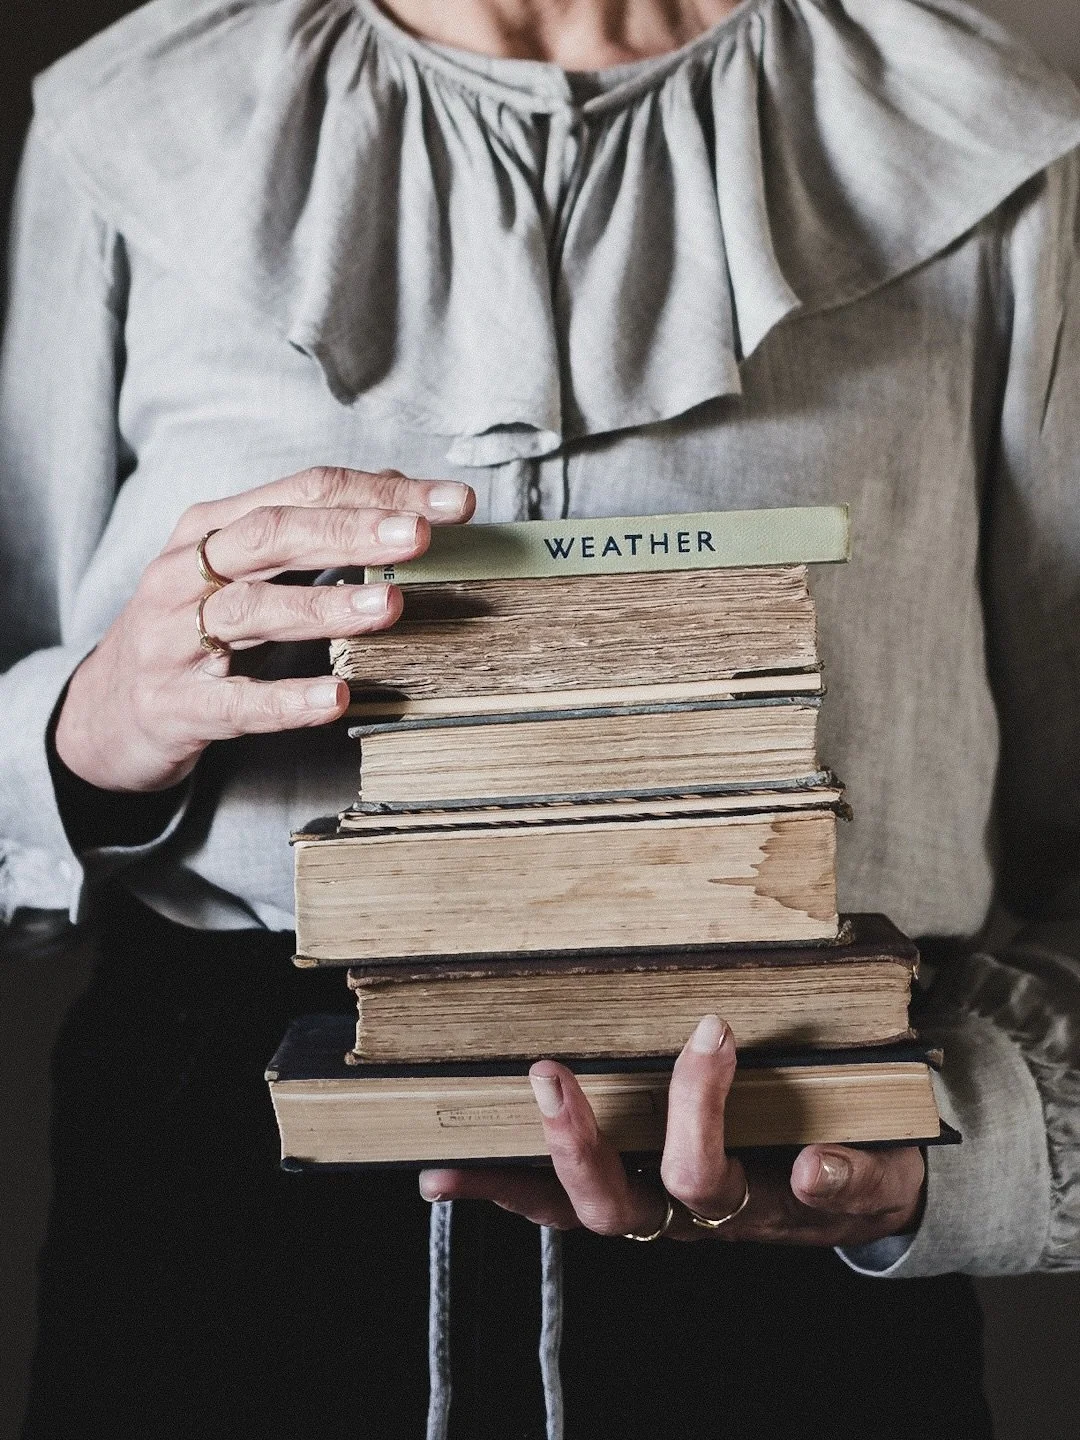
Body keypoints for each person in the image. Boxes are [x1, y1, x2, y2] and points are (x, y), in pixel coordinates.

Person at [1, 0, 1079, 1435]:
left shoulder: (996, 132)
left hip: (801, 1249)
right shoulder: (130, 120)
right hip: (220, 1232)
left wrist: (959, 1147)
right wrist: (92, 731)